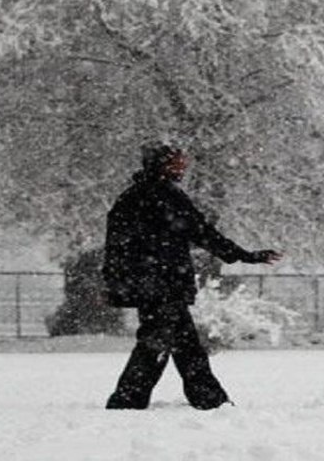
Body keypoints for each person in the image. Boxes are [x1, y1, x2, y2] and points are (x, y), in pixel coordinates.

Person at [102, 143, 283, 410]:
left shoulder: (131, 197)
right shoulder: (165, 196)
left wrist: (119, 280)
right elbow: (201, 231)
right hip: (164, 283)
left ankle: (206, 398)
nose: (183, 167)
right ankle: (131, 399)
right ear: (162, 166)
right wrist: (243, 255)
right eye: (177, 163)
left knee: (182, 344)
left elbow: (116, 245)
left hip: (151, 284)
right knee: (160, 344)